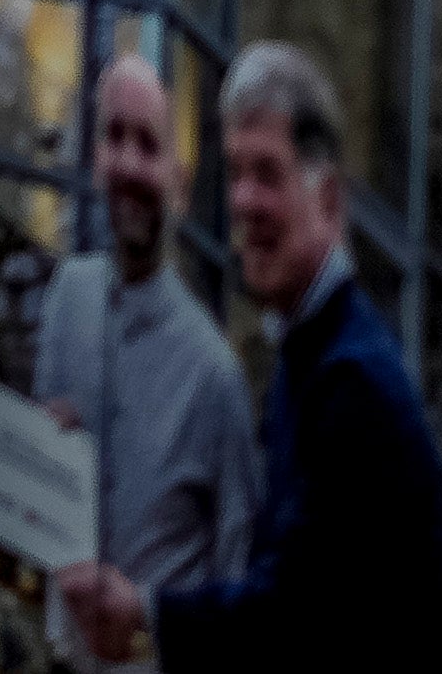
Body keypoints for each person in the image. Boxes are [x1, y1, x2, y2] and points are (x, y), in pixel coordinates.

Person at [55, 45, 442, 671]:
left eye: (267, 174)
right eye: (236, 172)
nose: (243, 202)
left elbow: (291, 609)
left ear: (327, 202)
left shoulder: (349, 379)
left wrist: (146, 614)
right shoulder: (312, 356)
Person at [29, 55, 260, 620]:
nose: (129, 163)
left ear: (179, 182)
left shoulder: (215, 375)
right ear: (95, 159)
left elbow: (237, 578)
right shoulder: (67, 298)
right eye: (114, 137)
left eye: (149, 145)